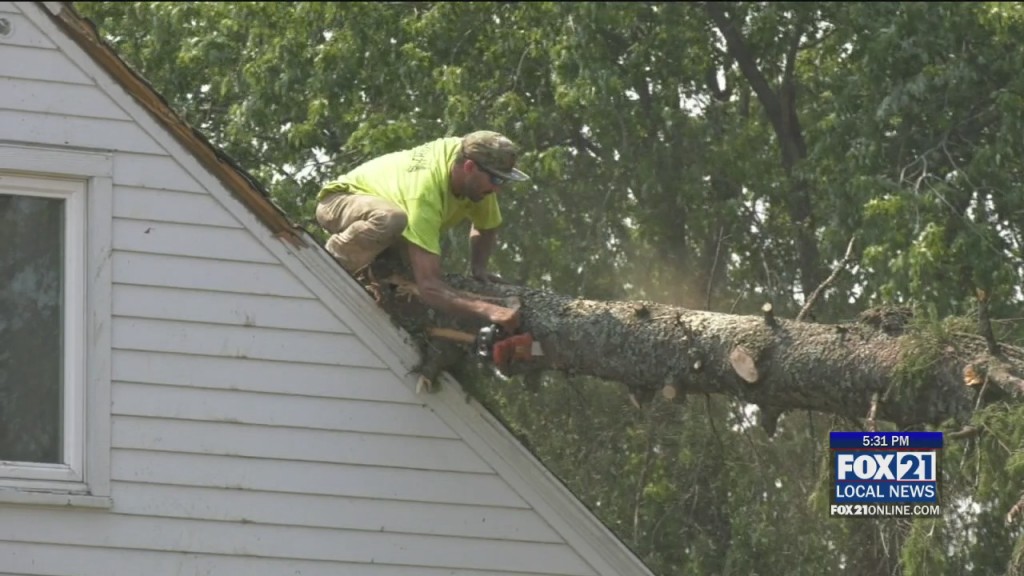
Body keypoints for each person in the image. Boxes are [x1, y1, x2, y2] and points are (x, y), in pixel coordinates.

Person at [315, 130, 529, 332]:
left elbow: (486, 226)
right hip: (339, 201)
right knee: (391, 220)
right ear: (470, 167)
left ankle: (375, 272)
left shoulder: (476, 172)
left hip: (393, 219)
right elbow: (430, 287)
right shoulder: (424, 194)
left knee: (406, 278)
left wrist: (479, 270)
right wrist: (490, 311)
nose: (498, 189)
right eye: (496, 179)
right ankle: (330, 265)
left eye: (503, 180)